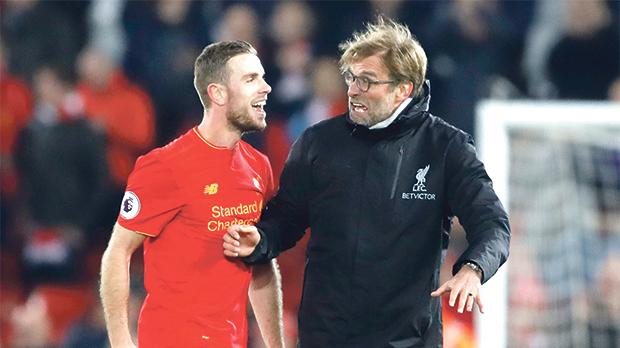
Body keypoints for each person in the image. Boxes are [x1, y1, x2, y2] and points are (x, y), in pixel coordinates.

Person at [223, 18, 510, 347]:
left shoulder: (446, 148)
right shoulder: (318, 142)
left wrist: (473, 268)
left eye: (367, 81)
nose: (353, 89)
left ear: (404, 89)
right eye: (351, 77)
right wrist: (260, 239)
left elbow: (493, 226)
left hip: (408, 341)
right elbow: (286, 219)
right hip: (326, 337)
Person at [100, 41, 285, 348]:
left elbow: (261, 262)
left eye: (263, 77)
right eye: (251, 79)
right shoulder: (164, 166)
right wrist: (121, 341)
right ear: (218, 93)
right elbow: (118, 251)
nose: (265, 87)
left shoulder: (258, 167)